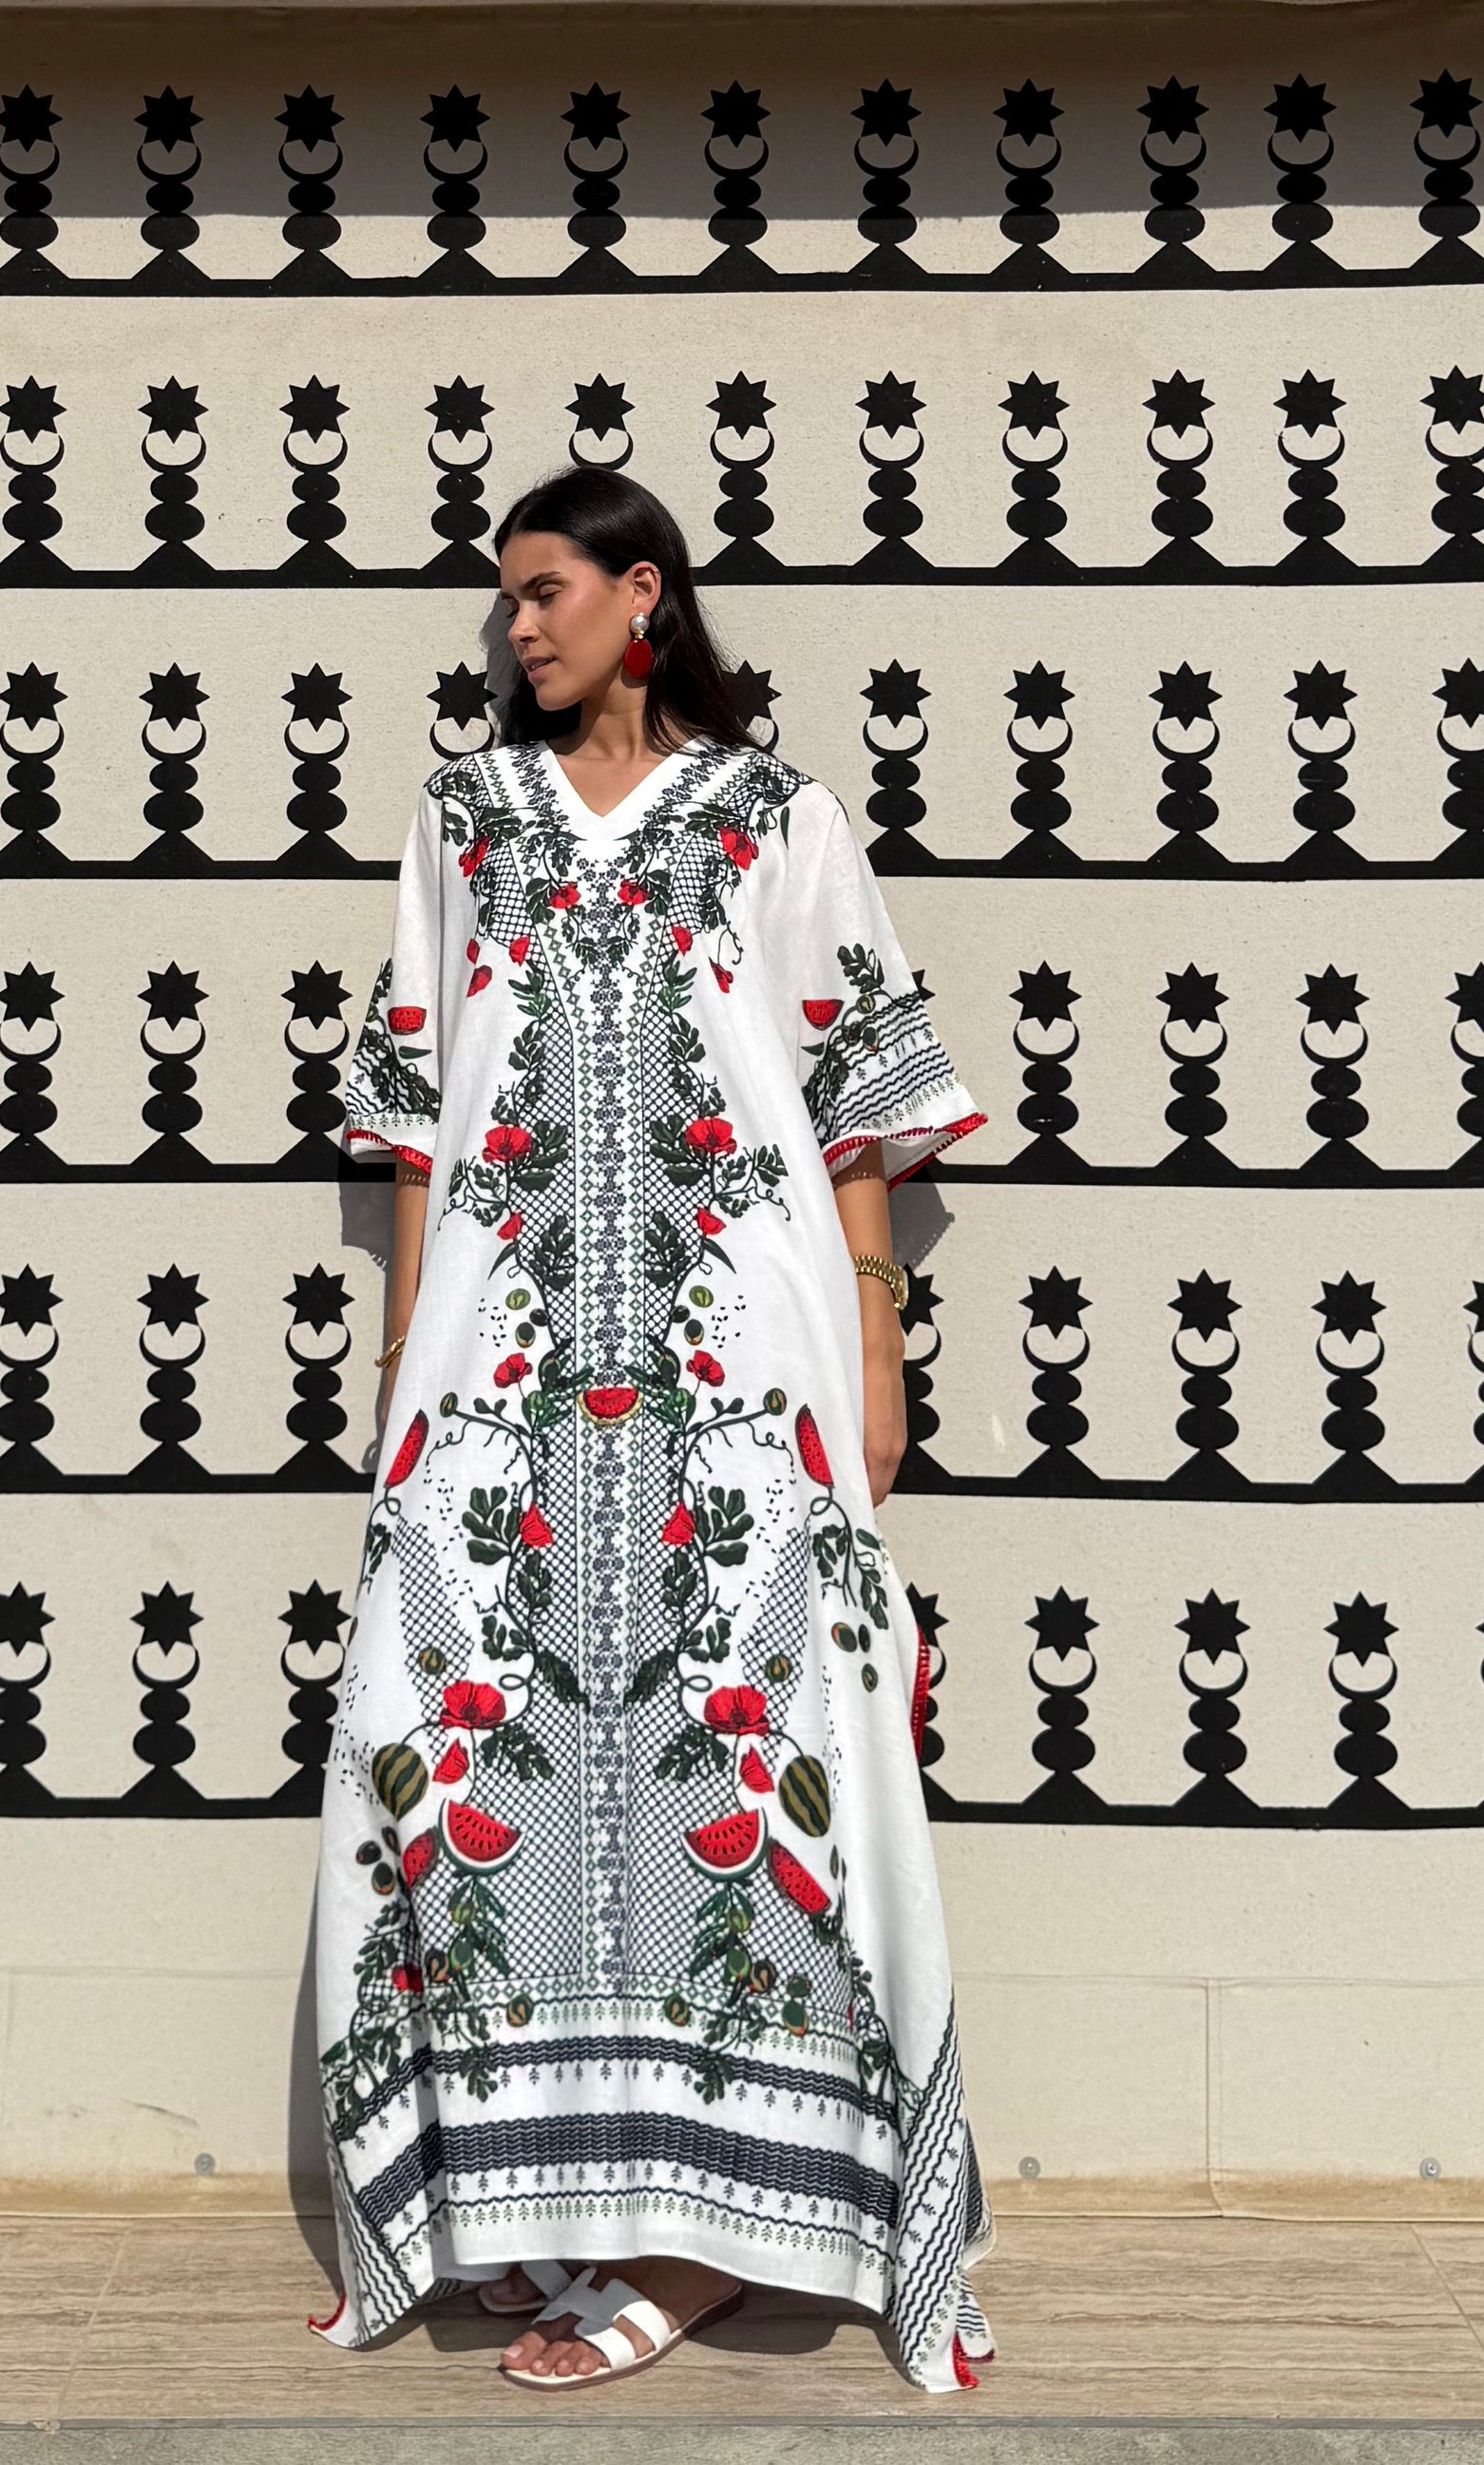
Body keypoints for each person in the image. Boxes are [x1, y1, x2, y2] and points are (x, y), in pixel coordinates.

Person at [309, 464, 996, 2394]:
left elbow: (854, 1100)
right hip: (501, 1364)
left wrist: (877, 1342)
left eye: (543, 590)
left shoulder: (779, 817)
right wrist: (406, 1356)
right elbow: (420, 1110)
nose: (514, 625)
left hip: (741, 1365)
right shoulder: (463, 816)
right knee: (470, 1746)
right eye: (505, 598)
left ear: (643, 596)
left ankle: (700, 2243)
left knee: (757, 1747)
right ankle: (549, 2194)